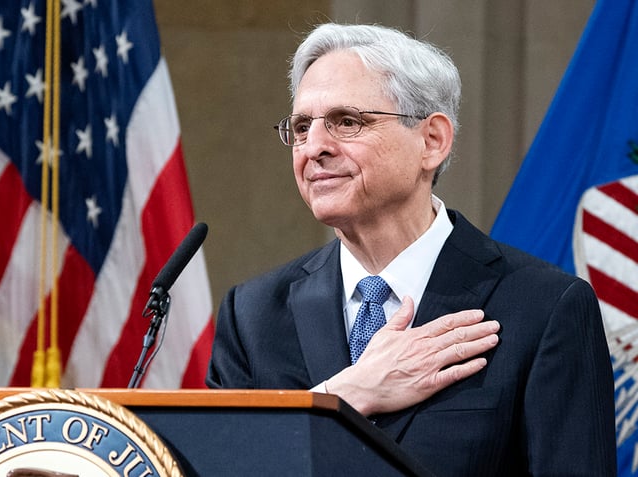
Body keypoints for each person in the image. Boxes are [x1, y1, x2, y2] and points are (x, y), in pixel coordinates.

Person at [206, 22, 615, 476]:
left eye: (347, 122)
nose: (315, 148)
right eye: (302, 127)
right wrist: (346, 395)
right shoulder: (253, 315)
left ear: (431, 141)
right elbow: (218, 466)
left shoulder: (543, 308)